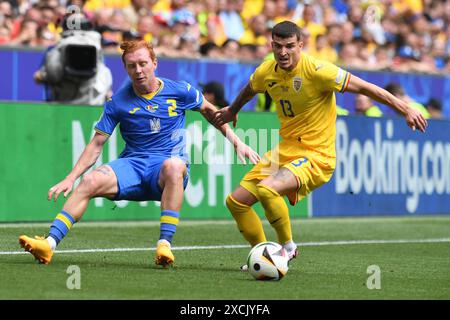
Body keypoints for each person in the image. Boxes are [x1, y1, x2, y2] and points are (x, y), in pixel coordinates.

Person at [19, 40, 260, 267]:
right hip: (132, 167)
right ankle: (49, 244)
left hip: (166, 168)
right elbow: (97, 143)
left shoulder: (180, 90)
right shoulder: (118, 102)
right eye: (132, 65)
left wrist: (236, 141)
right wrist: (71, 177)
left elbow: (210, 112)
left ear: (154, 63)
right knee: (90, 180)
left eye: (143, 63)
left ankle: (164, 245)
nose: (138, 70)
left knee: (174, 166)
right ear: (125, 67)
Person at [213, 21, 427, 269]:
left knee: (267, 189)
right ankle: (263, 255)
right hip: (286, 150)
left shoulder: (318, 71)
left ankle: (288, 248)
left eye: (290, 46)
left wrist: (405, 109)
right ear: (271, 45)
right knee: (236, 202)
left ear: (301, 45)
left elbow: (367, 89)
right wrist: (232, 110)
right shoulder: (266, 71)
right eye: (278, 46)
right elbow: (251, 88)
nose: (283, 52)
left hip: (317, 155)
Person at [34, 13, 113, 105]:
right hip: (88, 105)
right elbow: (53, 74)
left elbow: (52, 75)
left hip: (66, 104)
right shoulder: (96, 44)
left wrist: (43, 75)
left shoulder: (59, 47)